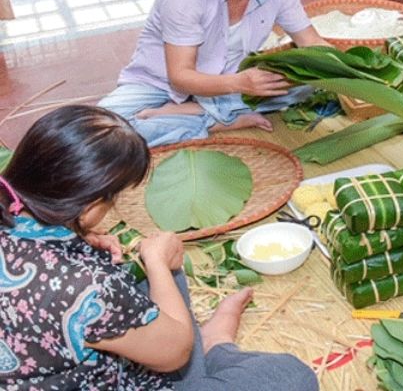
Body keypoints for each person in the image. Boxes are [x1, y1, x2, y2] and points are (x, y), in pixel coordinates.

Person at [0, 105, 318, 390]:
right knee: (291, 376)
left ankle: (198, 354)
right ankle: (214, 346)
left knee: (147, 275)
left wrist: (79, 239)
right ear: (90, 206)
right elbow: (173, 356)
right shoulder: (88, 288)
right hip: (111, 375)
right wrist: (156, 263)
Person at [99, 0, 330, 147]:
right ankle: (217, 120)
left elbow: (311, 42)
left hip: (228, 85)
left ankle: (192, 113)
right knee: (102, 131)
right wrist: (241, 84)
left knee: (307, 87)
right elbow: (180, 78)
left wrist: (351, 67)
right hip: (160, 84)